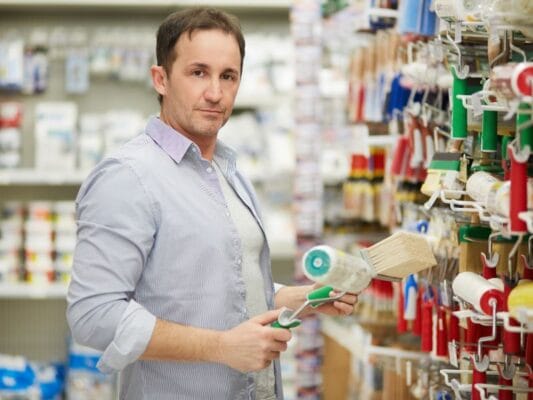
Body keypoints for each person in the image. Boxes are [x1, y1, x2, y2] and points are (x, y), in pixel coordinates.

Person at [66, 7, 357, 400]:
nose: (216, 93)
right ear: (161, 79)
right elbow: (93, 314)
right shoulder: (128, 177)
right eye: (198, 73)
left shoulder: (227, 170)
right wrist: (220, 347)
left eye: (228, 76)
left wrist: (299, 298)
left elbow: (213, 285)